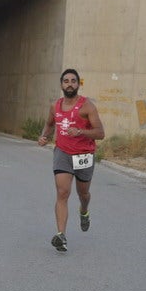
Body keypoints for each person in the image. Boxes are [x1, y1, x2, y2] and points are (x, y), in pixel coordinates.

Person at [37, 68, 105, 252]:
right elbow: (50, 124)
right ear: (61, 85)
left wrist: (81, 131)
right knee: (62, 192)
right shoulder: (55, 106)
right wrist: (44, 136)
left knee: (83, 194)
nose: (69, 84)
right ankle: (61, 235)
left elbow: (100, 133)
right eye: (66, 81)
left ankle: (84, 211)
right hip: (62, 153)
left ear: (78, 84)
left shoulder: (87, 106)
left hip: (83, 155)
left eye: (73, 81)